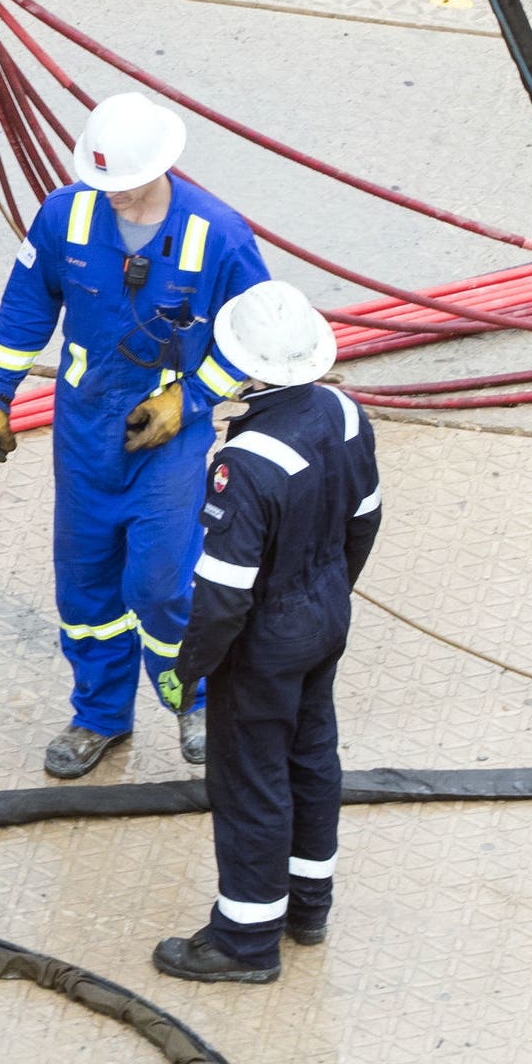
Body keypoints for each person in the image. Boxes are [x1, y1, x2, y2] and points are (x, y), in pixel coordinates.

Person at [0, 92, 268, 779]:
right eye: (102, 185)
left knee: (161, 581)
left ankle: (194, 696)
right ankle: (100, 715)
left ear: (164, 166)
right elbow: (27, 303)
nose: (114, 200)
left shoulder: (216, 236)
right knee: (85, 588)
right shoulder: (66, 215)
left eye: (125, 187)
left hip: (168, 439)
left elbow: (257, 332)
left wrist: (189, 398)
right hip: (85, 433)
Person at [153, 279, 378, 984]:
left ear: (244, 362)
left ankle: (246, 939)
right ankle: (309, 905)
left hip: (264, 638)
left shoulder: (243, 463)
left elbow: (222, 595)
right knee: (312, 756)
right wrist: (330, 589)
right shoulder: (345, 412)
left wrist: (191, 667)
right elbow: (364, 518)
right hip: (325, 612)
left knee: (251, 777)